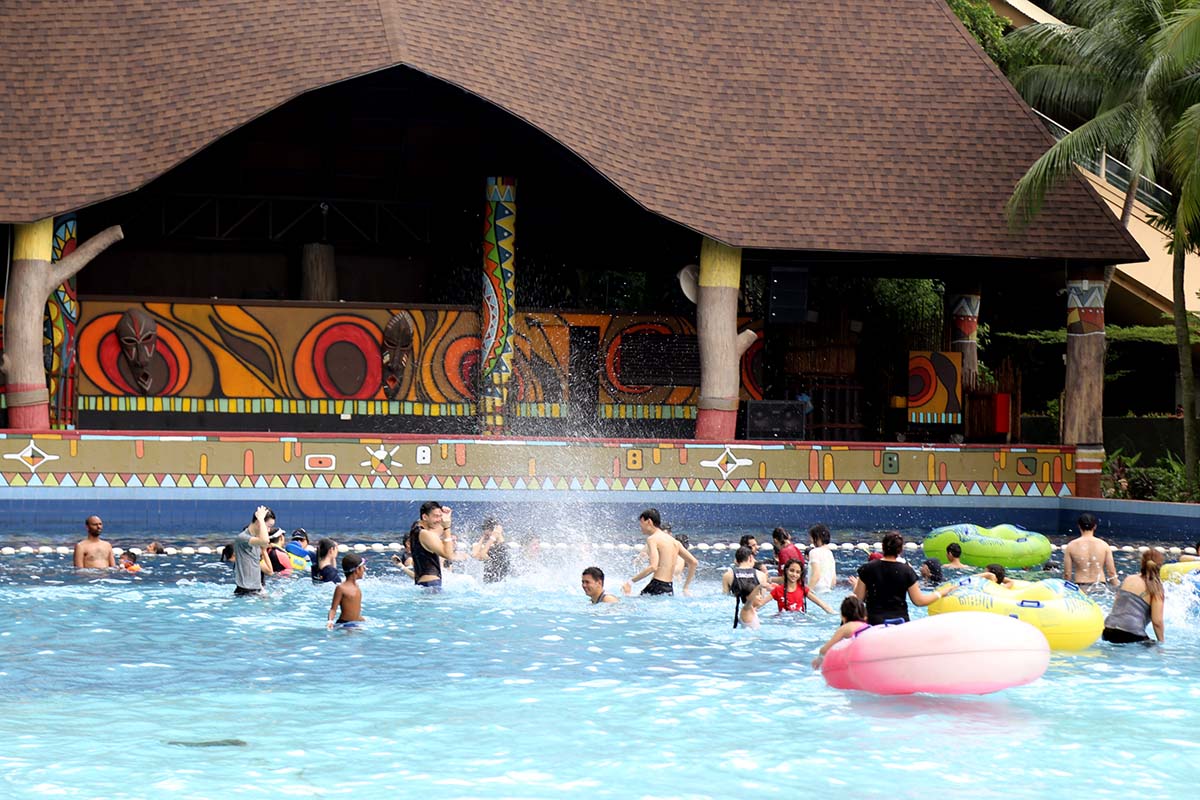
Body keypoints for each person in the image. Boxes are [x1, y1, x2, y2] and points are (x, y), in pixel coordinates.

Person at [853, 531, 948, 625]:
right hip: (900, 623)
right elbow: (919, 601)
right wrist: (940, 593)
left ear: (883, 547)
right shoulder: (907, 571)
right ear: (900, 550)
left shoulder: (867, 568)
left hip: (875, 622)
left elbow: (858, 600)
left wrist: (856, 586)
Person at [623, 508, 698, 596]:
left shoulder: (652, 539)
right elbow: (694, 562)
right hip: (669, 588)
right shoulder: (675, 542)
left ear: (649, 522)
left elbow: (653, 567)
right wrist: (685, 587)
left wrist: (630, 582)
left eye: (641, 523)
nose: (640, 527)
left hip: (656, 585)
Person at [1102, 550, 1165, 644]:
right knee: (1153, 646)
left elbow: (1115, 605)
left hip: (1108, 629)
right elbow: (1157, 622)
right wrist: (1161, 643)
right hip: (1131, 634)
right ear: (1160, 566)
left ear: (1142, 563)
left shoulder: (1129, 579)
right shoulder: (1156, 588)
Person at [412, 501, 463, 590]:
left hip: (423, 583)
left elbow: (437, 529)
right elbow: (449, 555)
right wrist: (447, 528)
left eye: (440, 516)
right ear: (424, 517)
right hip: (432, 585)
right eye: (436, 516)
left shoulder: (416, 530)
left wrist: (446, 517)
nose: (439, 520)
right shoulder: (425, 534)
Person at [811, 596, 870, 670]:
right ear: (864, 616)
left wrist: (819, 658)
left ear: (843, 617)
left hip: (856, 662)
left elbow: (826, 648)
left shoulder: (845, 628)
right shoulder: (867, 626)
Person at [1063, 512, 1117, 590]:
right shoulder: (1104, 545)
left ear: (1079, 526)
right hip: (1100, 586)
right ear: (1095, 526)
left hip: (1081, 587)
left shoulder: (1071, 546)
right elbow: (1112, 573)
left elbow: (1067, 574)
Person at [725, 546, 770, 628]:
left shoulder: (728, 575)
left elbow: (725, 596)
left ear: (737, 560)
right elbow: (761, 598)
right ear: (750, 558)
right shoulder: (761, 575)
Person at [233, 506, 273, 595]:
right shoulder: (242, 538)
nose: (269, 530)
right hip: (245, 592)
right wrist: (261, 519)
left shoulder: (255, 541)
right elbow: (265, 540)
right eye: (268, 526)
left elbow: (269, 571)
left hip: (255, 590)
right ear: (259, 522)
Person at [327, 552, 367, 629]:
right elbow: (333, 609)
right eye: (362, 567)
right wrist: (330, 621)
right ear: (357, 570)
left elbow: (354, 610)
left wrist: (360, 619)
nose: (364, 569)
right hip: (345, 624)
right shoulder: (341, 588)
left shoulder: (357, 586)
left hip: (356, 622)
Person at [471, 516, 512, 583]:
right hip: (491, 586)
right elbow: (474, 555)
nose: (487, 537)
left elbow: (481, 556)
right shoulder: (494, 547)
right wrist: (483, 537)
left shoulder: (501, 549)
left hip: (496, 586)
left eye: (487, 534)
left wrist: (493, 537)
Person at [807, 524, 837, 593]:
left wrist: (806, 591)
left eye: (811, 537)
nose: (810, 540)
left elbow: (816, 574)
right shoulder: (829, 553)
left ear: (817, 538)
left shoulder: (814, 552)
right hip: (827, 591)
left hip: (816, 591)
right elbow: (833, 580)